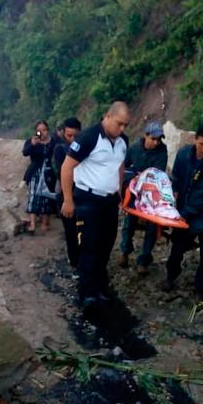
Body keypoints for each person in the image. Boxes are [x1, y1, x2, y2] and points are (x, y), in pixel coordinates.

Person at [60, 101, 130, 309]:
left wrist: (120, 193)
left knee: (106, 246)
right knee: (89, 246)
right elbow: (67, 166)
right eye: (119, 123)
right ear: (107, 117)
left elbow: (120, 166)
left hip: (109, 201)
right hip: (88, 199)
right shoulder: (89, 137)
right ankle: (87, 294)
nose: (122, 128)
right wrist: (68, 199)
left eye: (125, 124)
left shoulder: (122, 141)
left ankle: (100, 288)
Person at [162, 123, 203, 302]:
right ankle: (170, 277)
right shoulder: (183, 154)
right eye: (202, 144)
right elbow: (176, 177)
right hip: (185, 210)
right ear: (195, 140)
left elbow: (202, 195)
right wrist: (172, 195)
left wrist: (182, 215)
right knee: (176, 249)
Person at [119, 120, 169, 276]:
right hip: (134, 192)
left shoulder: (162, 151)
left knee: (153, 227)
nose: (156, 142)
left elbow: (158, 174)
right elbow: (124, 168)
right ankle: (125, 252)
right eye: (153, 139)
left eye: (158, 139)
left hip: (152, 193)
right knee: (129, 224)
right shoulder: (134, 148)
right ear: (145, 136)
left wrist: (145, 177)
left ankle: (143, 260)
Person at [52, 117, 82, 268]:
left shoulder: (85, 147)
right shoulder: (60, 148)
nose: (72, 139)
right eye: (69, 136)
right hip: (64, 193)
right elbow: (60, 172)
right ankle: (75, 262)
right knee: (71, 232)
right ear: (63, 134)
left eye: (76, 136)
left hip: (82, 194)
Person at [23, 120, 59, 234]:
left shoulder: (54, 141)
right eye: (39, 130)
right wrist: (33, 144)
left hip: (49, 173)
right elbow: (25, 152)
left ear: (48, 130)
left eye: (44, 130)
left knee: (48, 197)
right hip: (35, 172)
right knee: (33, 196)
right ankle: (32, 223)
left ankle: (45, 223)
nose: (42, 132)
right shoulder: (32, 141)